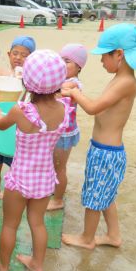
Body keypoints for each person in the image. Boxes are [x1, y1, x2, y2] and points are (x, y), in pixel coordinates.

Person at [61, 23, 136, 250]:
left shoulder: (126, 83)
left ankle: (87, 238)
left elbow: (92, 108)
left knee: (94, 197)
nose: (101, 62)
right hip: (104, 150)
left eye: (104, 57)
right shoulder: (121, 79)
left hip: (106, 153)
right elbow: (100, 108)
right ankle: (113, 236)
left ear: (119, 54)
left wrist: (74, 93)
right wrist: (76, 95)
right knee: (106, 195)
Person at [0, 50, 71, 271]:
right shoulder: (65, 108)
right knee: (37, 223)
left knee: (10, 225)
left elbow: (2, 124)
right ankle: (37, 264)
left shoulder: (21, 110)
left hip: (20, 178)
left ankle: (3, 267)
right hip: (44, 178)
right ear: (59, 83)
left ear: (26, 81)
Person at [0, 36, 36, 198]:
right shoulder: (2, 72)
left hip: (18, 119)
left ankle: (10, 184)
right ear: (9, 54)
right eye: (15, 53)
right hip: (0, 115)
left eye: (24, 55)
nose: (18, 57)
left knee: (15, 156)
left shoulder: (31, 76)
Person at [47, 44, 88, 211]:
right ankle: (53, 190)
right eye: (60, 60)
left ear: (78, 67)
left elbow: (60, 92)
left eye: (67, 61)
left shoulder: (73, 84)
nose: (62, 64)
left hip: (64, 134)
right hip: (55, 131)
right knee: (52, 164)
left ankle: (58, 200)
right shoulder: (62, 80)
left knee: (59, 167)